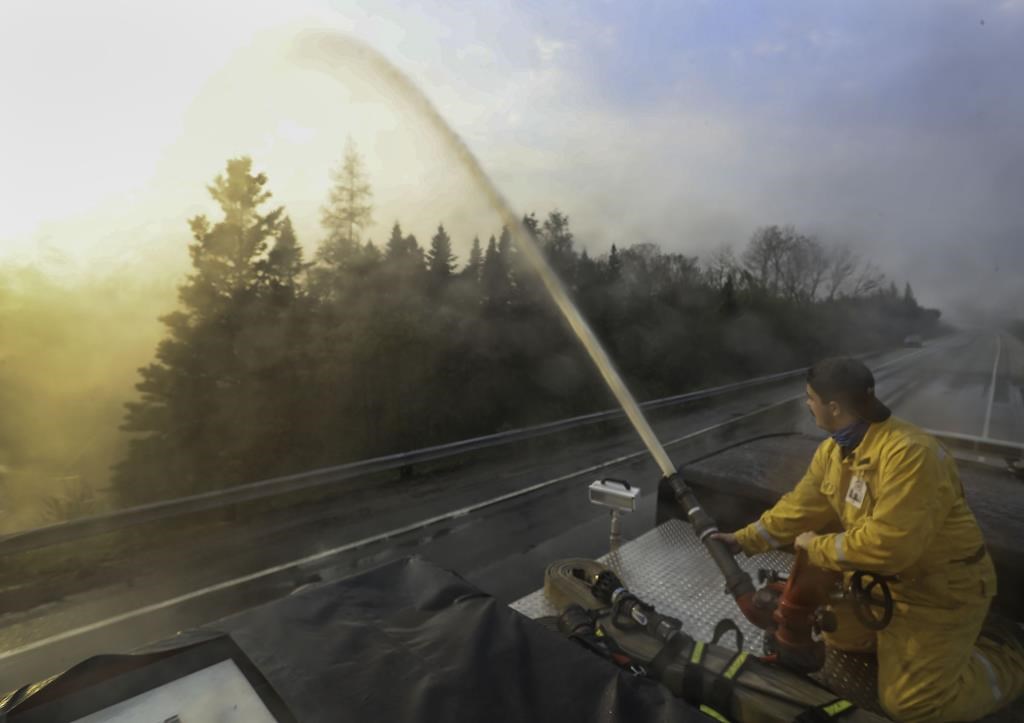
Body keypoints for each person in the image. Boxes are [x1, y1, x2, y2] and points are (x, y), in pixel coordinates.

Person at [712, 357, 1023, 722]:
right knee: (837, 636)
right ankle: (906, 645)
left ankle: (1007, 655)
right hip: (881, 589)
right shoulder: (834, 451)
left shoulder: (910, 454)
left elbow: (890, 546)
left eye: (810, 398)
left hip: (938, 594)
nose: (806, 404)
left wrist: (816, 547)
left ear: (834, 407)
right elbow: (799, 508)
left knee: (912, 706)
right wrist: (743, 540)